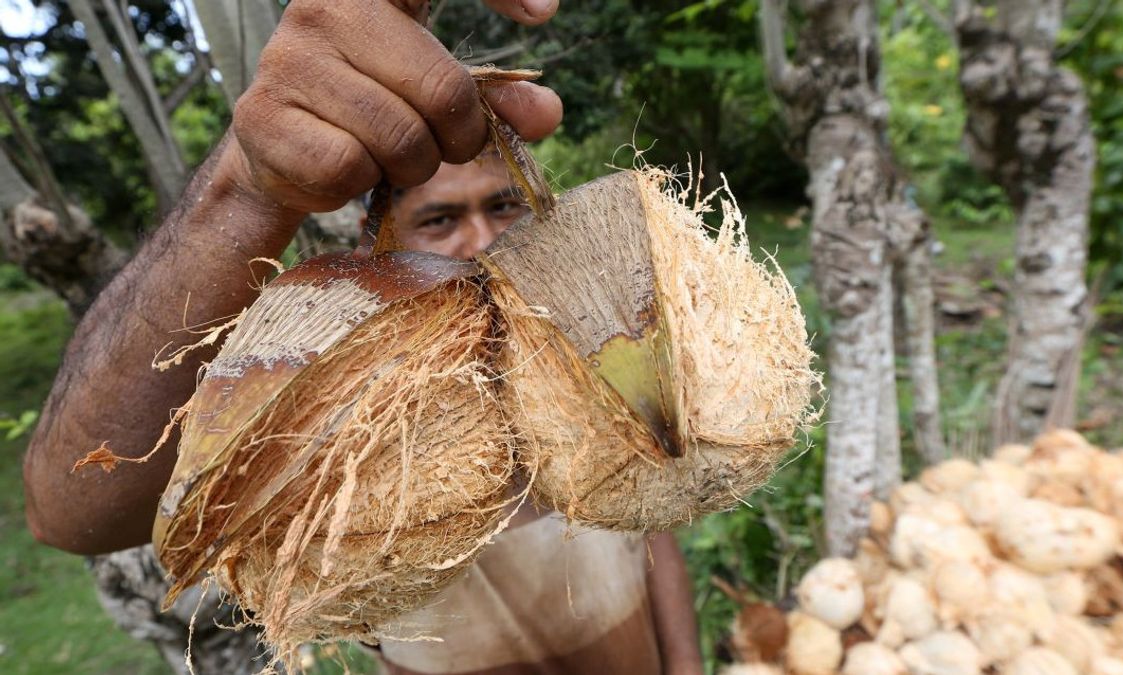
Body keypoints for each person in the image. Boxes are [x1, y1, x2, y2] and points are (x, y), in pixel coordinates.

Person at [21, 1, 703, 673]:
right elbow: (69, 511)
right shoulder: (346, 407)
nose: (484, 242)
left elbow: (652, 532)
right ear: (383, 246)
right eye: (440, 220)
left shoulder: (592, 363)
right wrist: (247, 189)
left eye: (503, 206)